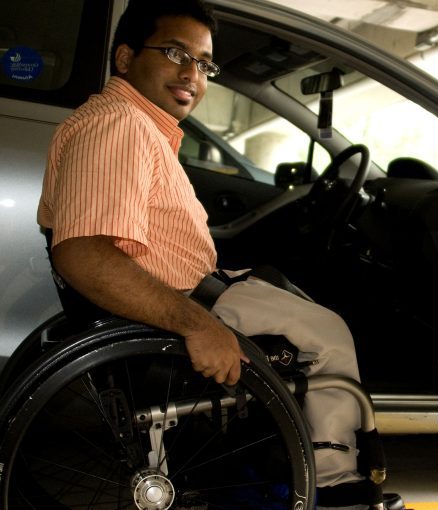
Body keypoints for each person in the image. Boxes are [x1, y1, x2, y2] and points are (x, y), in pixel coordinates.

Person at [37, 1, 394, 508]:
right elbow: (84, 255)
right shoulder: (118, 126)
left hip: (194, 290)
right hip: (182, 306)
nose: (192, 74)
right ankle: (336, 486)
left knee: (296, 300)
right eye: (176, 53)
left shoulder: (138, 125)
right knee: (328, 337)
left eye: (204, 63)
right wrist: (198, 325)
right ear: (124, 58)